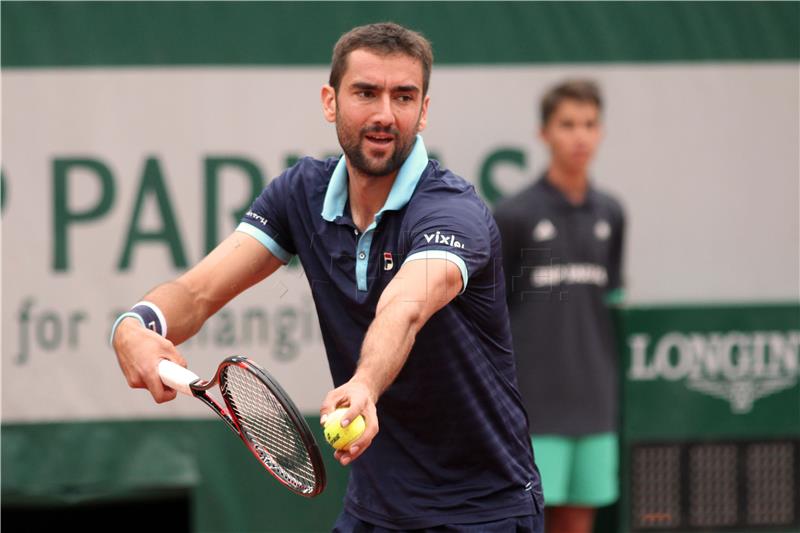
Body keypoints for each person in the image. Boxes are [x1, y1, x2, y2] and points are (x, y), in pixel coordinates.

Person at [111, 22, 544, 532]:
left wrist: (364, 383)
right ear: (330, 101)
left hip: (482, 511)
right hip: (373, 509)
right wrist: (137, 325)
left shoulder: (452, 213)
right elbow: (198, 291)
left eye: (404, 96)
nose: (385, 114)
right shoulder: (301, 195)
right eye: (366, 93)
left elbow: (404, 307)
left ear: (423, 111)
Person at [494, 80, 625, 533]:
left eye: (589, 124)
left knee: (578, 521)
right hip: (533, 407)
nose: (580, 136)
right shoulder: (514, 216)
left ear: (601, 132)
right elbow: (493, 316)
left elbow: (609, 305)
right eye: (567, 124)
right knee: (529, 520)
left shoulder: (612, 213)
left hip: (594, 404)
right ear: (543, 133)